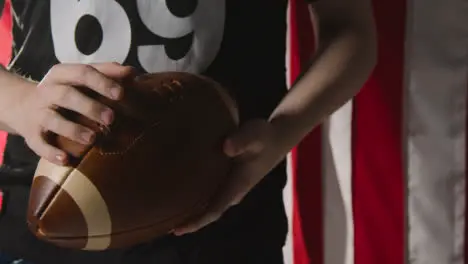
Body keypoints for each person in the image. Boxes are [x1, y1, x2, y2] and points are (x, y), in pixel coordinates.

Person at [0, 0, 376, 263]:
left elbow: (350, 29)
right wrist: (22, 103)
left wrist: (281, 132)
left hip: (225, 226)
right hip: (46, 223)